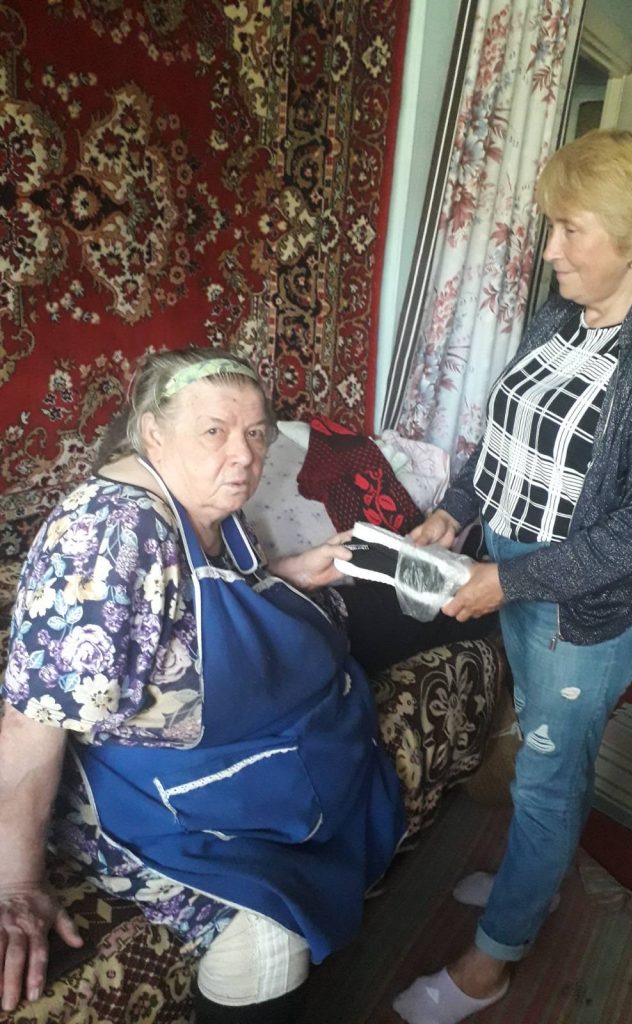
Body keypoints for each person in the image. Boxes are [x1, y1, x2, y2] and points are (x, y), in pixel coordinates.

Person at [393, 129, 632, 1024]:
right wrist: (456, 511)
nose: (550, 250)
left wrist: (509, 582)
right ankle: (529, 885)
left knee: (548, 774)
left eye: (572, 230)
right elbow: (507, 432)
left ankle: (492, 962)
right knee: (548, 747)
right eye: (552, 226)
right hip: (508, 566)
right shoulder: (561, 314)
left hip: (581, 606)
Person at [0, 347, 421, 1024]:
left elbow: (200, 608)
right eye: (215, 431)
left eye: (256, 433)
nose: (244, 456)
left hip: (222, 748)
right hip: (137, 789)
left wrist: (289, 571)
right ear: (152, 432)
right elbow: (30, 725)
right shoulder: (110, 535)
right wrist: (17, 884)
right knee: (268, 942)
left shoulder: (202, 500)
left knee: (407, 609)